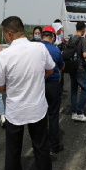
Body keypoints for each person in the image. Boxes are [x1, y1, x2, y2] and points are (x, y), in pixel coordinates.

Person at [0, 16, 56, 170]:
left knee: (13, 154)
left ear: (10, 34)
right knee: (41, 148)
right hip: (37, 108)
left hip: (15, 111)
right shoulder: (40, 48)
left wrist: (12, 84)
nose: (5, 37)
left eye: (4, 34)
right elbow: (50, 70)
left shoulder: (4, 55)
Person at [39, 26, 65, 155]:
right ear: (53, 37)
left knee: (40, 116)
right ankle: (54, 145)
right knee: (53, 115)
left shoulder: (35, 49)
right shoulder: (55, 50)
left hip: (38, 85)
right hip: (53, 85)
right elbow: (62, 67)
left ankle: (41, 144)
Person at [68, 21, 86, 122]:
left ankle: (74, 112)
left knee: (74, 90)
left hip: (71, 68)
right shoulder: (82, 40)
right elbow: (85, 54)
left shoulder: (70, 39)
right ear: (83, 29)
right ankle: (80, 112)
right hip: (80, 68)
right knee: (85, 89)